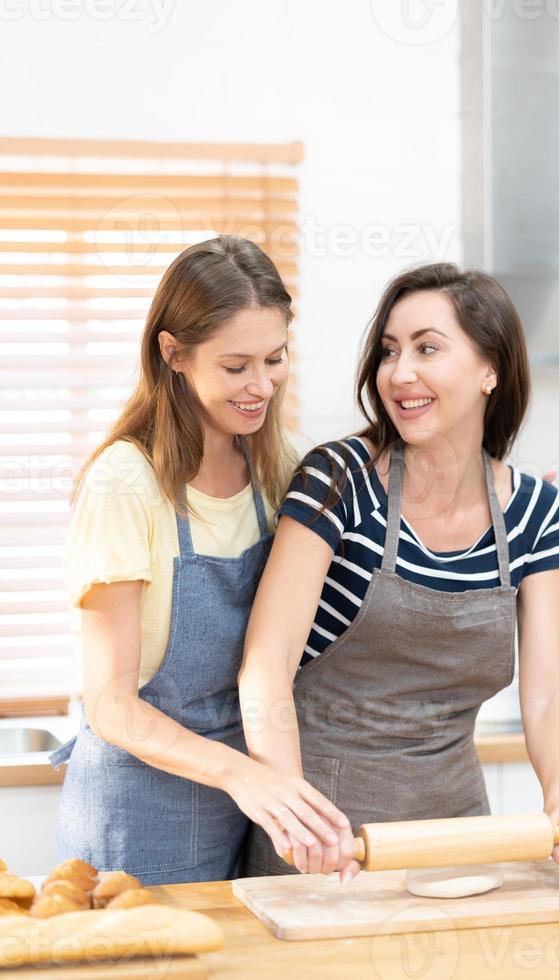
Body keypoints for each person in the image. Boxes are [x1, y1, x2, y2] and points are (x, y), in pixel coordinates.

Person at [238, 263, 559, 881]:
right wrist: (292, 813)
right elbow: (266, 663)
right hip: (323, 838)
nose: (400, 373)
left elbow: (551, 687)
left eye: (427, 348)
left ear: (489, 369)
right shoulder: (338, 481)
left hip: (462, 839)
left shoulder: (536, 514)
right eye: (390, 352)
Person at [50, 236, 352, 884]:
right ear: (173, 354)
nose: (262, 384)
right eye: (236, 365)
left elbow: (384, 529)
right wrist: (245, 776)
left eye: (276, 359)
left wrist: (503, 502)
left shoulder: (279, 466)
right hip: (135, 811)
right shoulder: (125, 485)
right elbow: (110, 703)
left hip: (242, 807)